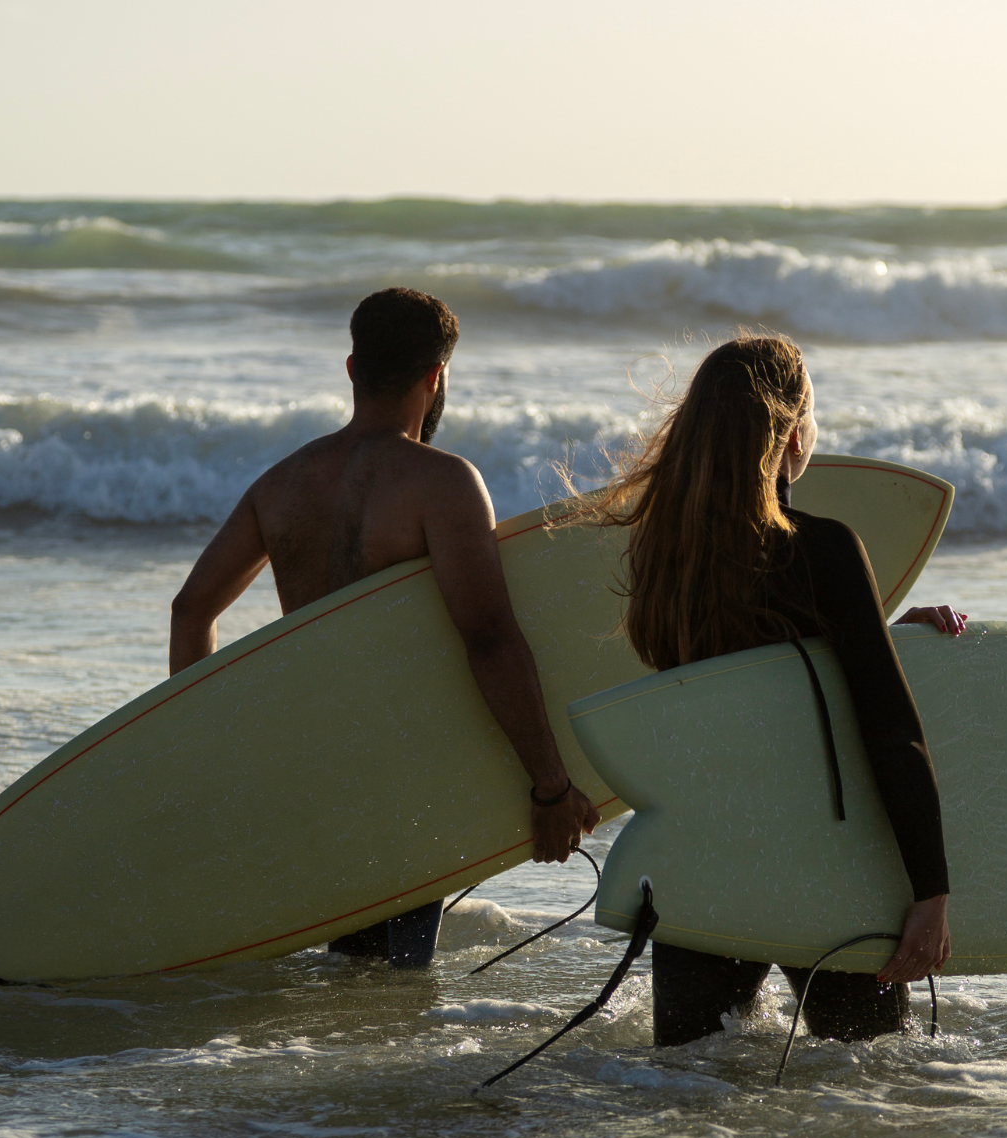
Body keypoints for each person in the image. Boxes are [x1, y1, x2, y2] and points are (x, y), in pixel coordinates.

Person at [168, 288, 599, 968]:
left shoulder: (280, 484)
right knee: (390, 980)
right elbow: (489, 638)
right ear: (436, 376)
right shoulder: (443, 483)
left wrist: (206, 757)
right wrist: (550, 786)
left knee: (352, 959)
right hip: (403, 768)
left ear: (351, 368)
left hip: (311, 764)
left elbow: (191, 610)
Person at [583, 334, 964, 1045]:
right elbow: (889, 730)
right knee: (867, 1078)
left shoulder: (667, 556)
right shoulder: (822, 549)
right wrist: (931, 891)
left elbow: (749, 685)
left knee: (691, 1084)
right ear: (792, 436)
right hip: (819, 858)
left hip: (702, 856)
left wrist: (879, 635)